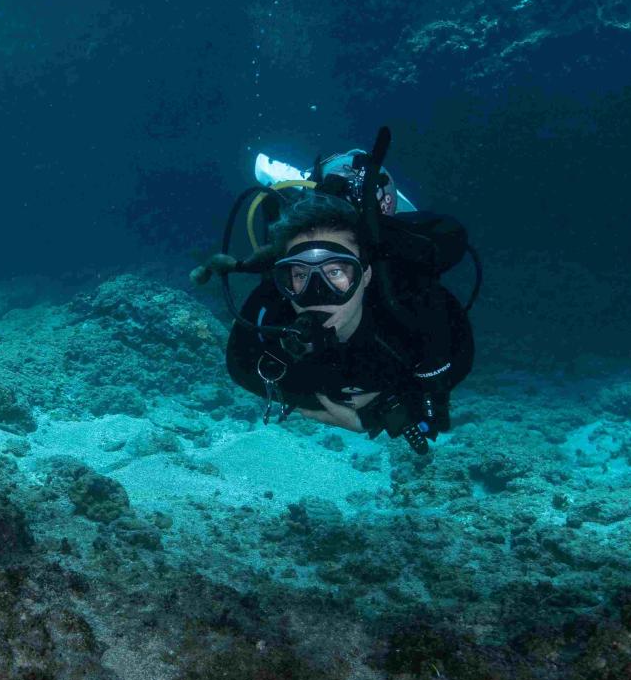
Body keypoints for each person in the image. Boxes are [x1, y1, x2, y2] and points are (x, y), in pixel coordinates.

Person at [199, 141, 476, 450]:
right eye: (300, 276)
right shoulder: (274, 306)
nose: (317, 294)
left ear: (366, 275)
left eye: (336, 272)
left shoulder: (412, 306)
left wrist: (386, 410)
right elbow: (241, 367)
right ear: (283, 279)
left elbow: (449, 376)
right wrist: (313, 394)